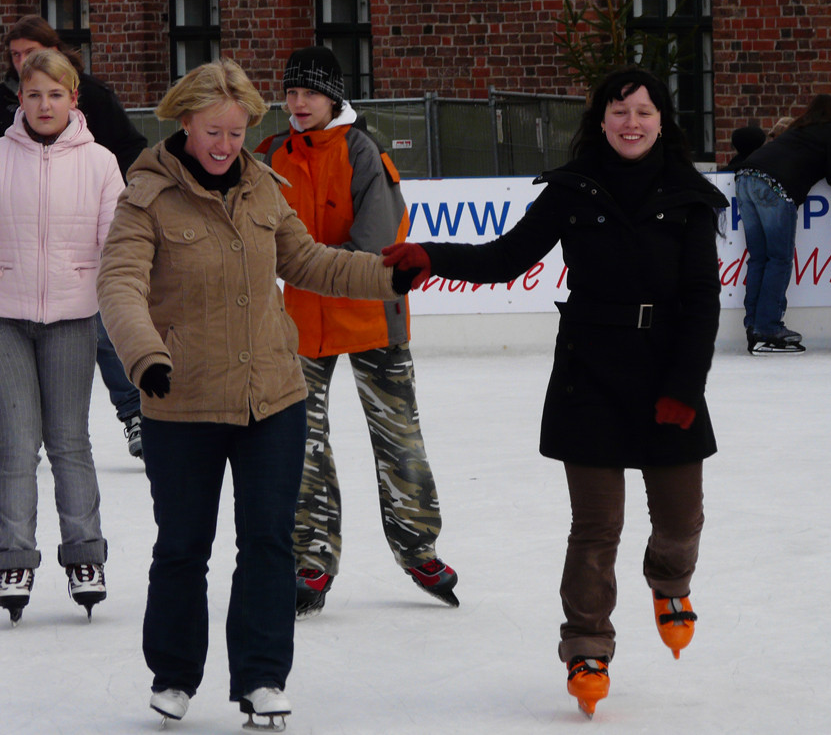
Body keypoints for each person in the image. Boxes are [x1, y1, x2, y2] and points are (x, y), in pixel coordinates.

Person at [383, 66, 727, 718]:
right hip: (589, 370)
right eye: (620, 111)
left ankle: (671, 581)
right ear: (600, 120)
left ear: (663, 122)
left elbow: (703, 301)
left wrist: (684, 385)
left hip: (666, 368)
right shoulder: (574, 189)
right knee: (597, 526)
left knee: (681, 521)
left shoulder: (690, 198)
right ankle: (587, 646)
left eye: (644, 112)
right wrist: (432, 256)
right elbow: (505, 257)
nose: (632, 123)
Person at [96, 59, 413, 729]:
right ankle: (175, 676)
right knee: (183, 544)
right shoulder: (145, 195)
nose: (225, 145)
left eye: (237, 132)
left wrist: (391, 274)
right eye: (214, 131)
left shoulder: (265, 188)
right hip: (179, 399)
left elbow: (310, 261)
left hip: (272, 396)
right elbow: (120, 285)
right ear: (186, 123)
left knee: (268, 541)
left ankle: (263, 678)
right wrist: (145, 356)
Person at [255, 46, 458, 617]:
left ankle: (418, 546)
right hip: (299, 326)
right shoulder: (270, 154)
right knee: (302, 446)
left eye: (310, 94)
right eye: (292, 93)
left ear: (333, 97)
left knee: (398, 438)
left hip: (373, 318)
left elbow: (374, 245)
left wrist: (302, 264)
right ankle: (312, 560)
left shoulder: (364, 153)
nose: (297, 104)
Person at [0, 49, 123, 625]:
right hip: (6, 316)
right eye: (33, 95)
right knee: (16, 445)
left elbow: (115, 243)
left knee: (70, 441)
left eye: (55, 94)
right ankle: (13, 556)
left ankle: (84, 555)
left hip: (74, 316)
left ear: (74, 98)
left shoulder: (99, 162)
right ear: (19, 99)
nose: (44, 105)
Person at [2, 15, 147, 457]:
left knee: (103, 333)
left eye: (30, 51)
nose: (24, 60)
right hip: (23, 245)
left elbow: (130, 148)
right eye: (16, 55)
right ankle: (20, 424)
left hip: (84, 236)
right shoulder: (8, 99)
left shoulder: (95, 99)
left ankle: (134, 412)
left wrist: (109, 192)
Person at [735, 94, 831, 353]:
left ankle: (754, 323)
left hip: (745, 177)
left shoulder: (799, 129)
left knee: (759, 258)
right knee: (778, 259)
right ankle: (767, 326)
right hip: (775, 185)